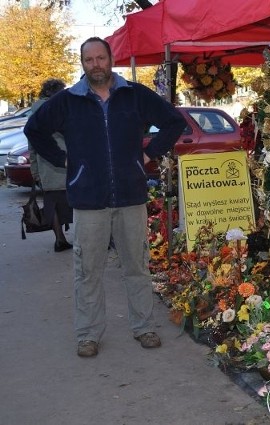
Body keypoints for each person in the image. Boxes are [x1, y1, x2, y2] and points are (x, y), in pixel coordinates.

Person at [24, 37, 186, 358]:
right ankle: (88, 334)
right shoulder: (68, 100)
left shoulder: (134, 95)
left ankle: (144, 327)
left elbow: (174, 122)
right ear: (82, 64)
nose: (96, 64)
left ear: (111, 60)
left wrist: (150, 153)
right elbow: (35, 129)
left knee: (137, 266)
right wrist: (62, 160)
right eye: (89, 60)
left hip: (130, 197)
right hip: (88, 201)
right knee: (88, 270)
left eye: (101, 58)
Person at [28, 78, 73, 252]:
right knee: (75, 201)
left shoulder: (35, 113)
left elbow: (32, 144)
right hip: (66, 160)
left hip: (45, 164)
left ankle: (59, 239)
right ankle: (89, 239)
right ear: (53, 92)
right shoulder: (59, 110)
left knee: (52, 203)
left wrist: (35, 169)